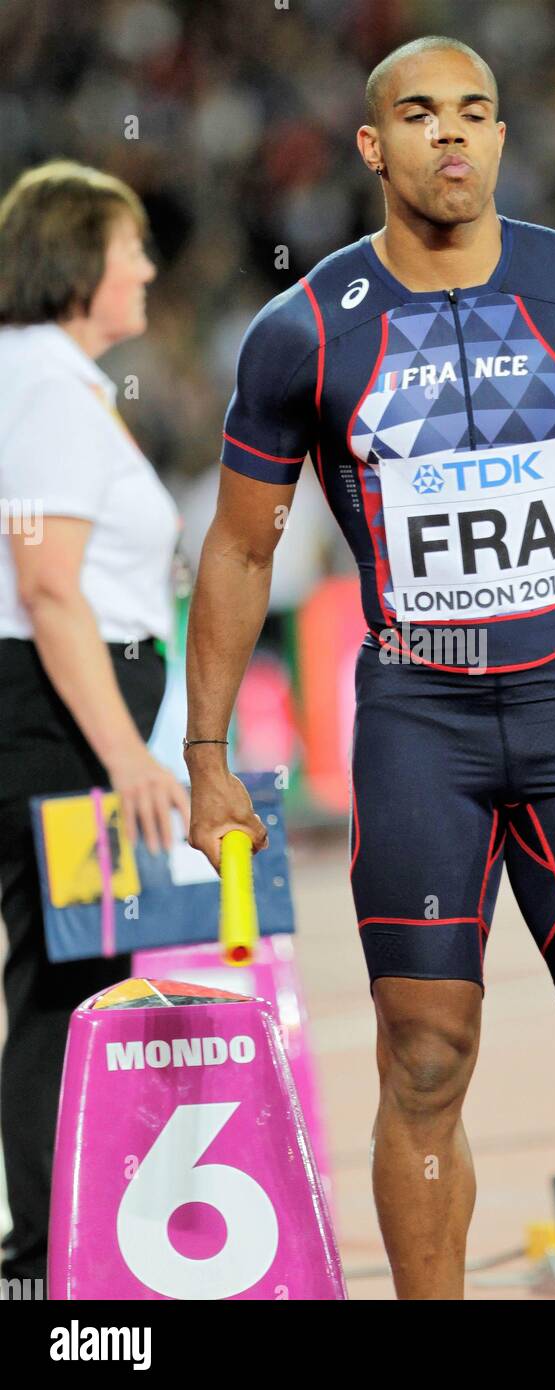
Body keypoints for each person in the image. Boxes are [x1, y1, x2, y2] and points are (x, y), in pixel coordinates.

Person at [185, 37, 555, 1300]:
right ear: (373, 146)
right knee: (423, 1058)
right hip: (417, 716)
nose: (449, 135)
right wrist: (203, 753)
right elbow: (240, 552)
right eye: (418, 114)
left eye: (473, 113)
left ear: (501, 138)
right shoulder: (301, 334)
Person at [0, 160, 190, 1287]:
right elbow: (50, 584)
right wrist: (125, 759)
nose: (151, 269)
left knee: (67, 979)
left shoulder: (44, 380)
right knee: (67, 987)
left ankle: (49, 1255)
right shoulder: (41, 384)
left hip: (59, 705)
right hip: (58, 716)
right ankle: (42, 1265)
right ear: (80, 263)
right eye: (133, 249)